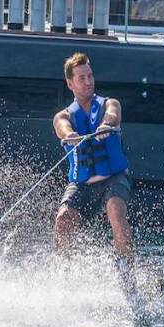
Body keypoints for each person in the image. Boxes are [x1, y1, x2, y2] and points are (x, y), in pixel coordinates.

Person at [52, 52, 133, 257]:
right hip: (82, 184)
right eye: (82, 78)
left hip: (114, 178)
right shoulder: (63, 116)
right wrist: (69, 135)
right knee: (62, 221)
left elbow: (113, 115)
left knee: (115, 210)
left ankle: (127, 270)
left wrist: (106, 125)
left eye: (90, 76)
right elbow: (61, 127)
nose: (88, 82)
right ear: (70, 84)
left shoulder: (110, 104)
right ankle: (63, 270)